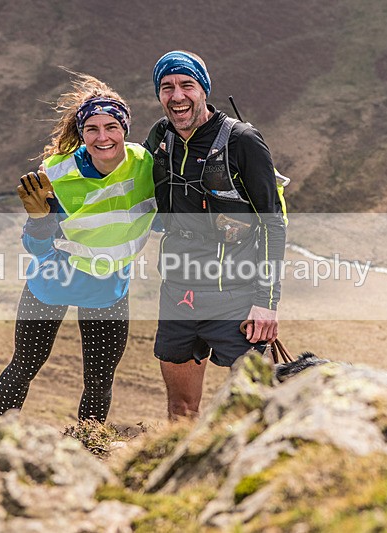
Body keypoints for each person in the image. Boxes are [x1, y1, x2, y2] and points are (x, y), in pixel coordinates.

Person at [0, 74, 156, 423]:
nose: (102, 137)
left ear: (124, 129)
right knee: (23, 367)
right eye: (92, 129)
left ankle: (87, 450)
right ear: (81, 133)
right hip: (51, 283)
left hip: (108, 288)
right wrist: (39, 221)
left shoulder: (144, 164)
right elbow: (36, 246)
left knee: (99, 382)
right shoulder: (57, 174)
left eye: (111, 126)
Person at [144, 51, 288, 418]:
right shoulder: (160, 137)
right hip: (177, 295)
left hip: (235, 299)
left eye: (186, 85)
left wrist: (267, 303)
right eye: (167, 87)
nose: (177, 96)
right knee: (180, 410)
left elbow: (273, 222)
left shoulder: (242, 141)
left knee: (255, 410)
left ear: (204, 89)